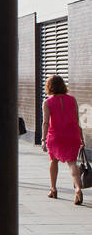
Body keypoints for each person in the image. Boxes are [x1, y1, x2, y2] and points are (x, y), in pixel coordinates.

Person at [41, 74, 84, 204]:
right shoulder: (72, 100)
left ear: (50, 87)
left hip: (56, 136)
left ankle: (53, 189)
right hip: (72, 134)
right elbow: (77, 120)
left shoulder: (47, 102)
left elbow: (45, 123)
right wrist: (81, 137)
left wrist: (43, 140)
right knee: (72, 163)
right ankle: (77, 188)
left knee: (53, 161)